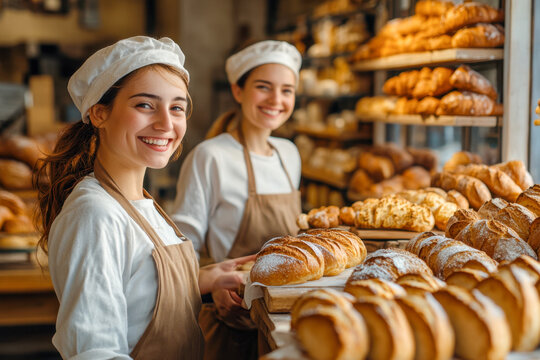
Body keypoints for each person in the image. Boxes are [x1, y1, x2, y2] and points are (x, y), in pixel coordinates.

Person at [35, 36, 252, 360]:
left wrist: (205, 280)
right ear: (98, 114)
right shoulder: (95, 214)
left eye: (177, 107)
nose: (166, 123)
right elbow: (95, 352)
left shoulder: (139, 203)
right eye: (145, 105)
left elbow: (138, 296)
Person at [170, 40, 302, 359]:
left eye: (287, 90)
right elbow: (181, 249)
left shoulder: (290, 153)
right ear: (238, 91)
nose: (276, 99)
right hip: (232, 322)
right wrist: (213, 284)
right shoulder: (211, 156)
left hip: (286, 317)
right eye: (263, 87)